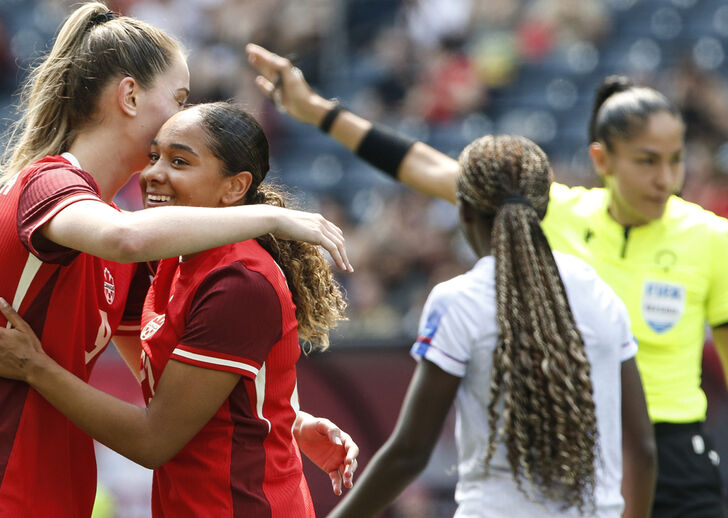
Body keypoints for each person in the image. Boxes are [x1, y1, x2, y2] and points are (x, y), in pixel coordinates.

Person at [0, 8, 354, 518]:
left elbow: (169, 380)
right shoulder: (48, 186)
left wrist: (283, 418)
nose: (183, 114)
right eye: (178, 98)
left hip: (51, 492)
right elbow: (125, 238)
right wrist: (270, 218)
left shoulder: (120, 233)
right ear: (131, 96)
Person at [248, 43, 728, 517]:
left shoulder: (711, 236)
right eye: (647, 160)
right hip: (582, 442)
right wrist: (316, 110)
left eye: (677, 159)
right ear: (602, 160)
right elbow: (421, 164)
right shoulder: (549, 210)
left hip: (676, 454)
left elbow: (408, 451)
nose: (667, 177)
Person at [324, 134, 655, 517]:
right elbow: (643, 449)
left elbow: (409, 454)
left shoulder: (457, 301)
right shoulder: (598, 290)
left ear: (463, 209)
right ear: (544, 209)